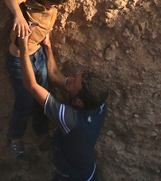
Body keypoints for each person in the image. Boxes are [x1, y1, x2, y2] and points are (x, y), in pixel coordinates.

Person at [1, 0, 122, 163]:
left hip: (38, 55)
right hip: (19, 59)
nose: (55, 7)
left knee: (43, 101)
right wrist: (18, 16)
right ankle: (15, 138)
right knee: (24, 103)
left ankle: (41, 135)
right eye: (53, 4)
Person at [15, 31, 109, 181]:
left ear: (79, 102)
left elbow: (31, 86)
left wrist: (23, 47)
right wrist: (48, 47)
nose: (70, 80)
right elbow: (54, 76)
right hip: (87, 175)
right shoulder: (98, 102)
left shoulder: (70, 119)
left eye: (73, 82)